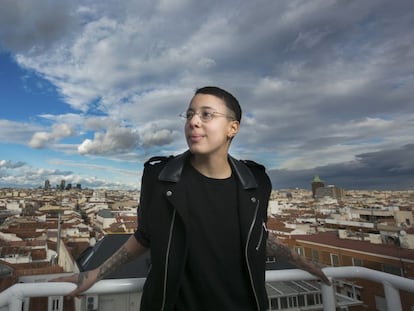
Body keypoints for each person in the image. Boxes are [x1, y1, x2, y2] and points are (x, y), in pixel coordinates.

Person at [53, 86, 329, 310]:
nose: (194, 121)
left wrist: (302, 262)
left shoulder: (256, 183)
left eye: (207, 114)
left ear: (233, 128)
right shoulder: (160, 177)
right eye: (189, 115)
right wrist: (96, 272)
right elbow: (145, 237)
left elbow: (256, 235)